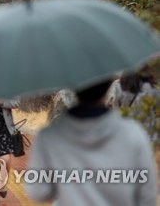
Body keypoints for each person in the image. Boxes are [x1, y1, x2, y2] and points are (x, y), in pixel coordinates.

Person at [25, 79, 156, 205]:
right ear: (109, 87)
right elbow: (147, 195)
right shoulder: (133, 133)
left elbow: (38, 192)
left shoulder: (49, 136)